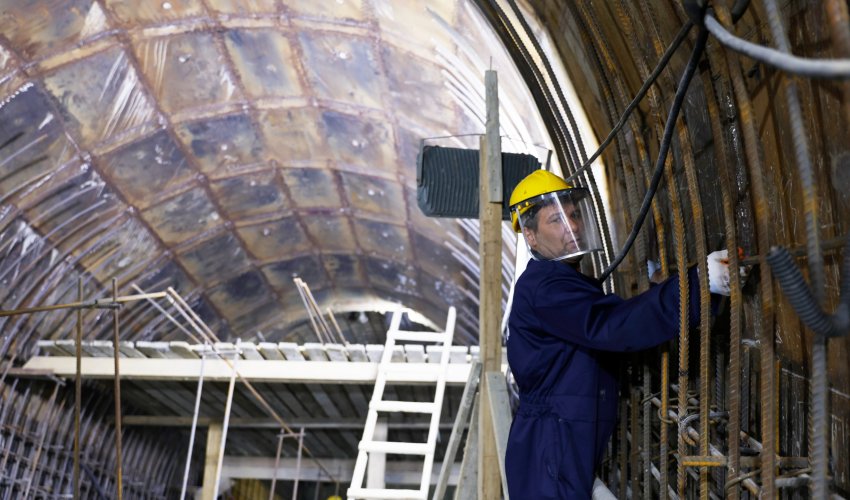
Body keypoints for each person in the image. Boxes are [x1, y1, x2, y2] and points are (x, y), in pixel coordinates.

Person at [504, 170, 731, 499]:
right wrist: (695, 286)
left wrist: (664, 288)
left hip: (559, 447)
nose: (573, 226)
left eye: (574, 214)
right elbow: (612, 326)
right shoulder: (545, 289)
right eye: (556, 220)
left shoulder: (561, 280)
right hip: (550, 452)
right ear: (530, 235)